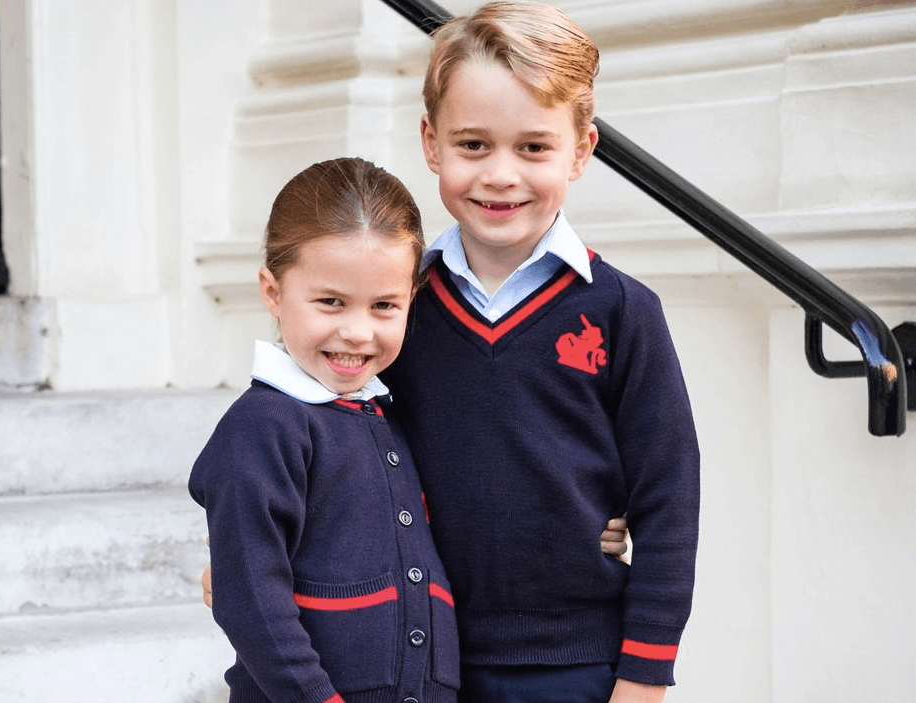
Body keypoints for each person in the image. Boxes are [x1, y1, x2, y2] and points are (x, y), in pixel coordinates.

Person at [379, 2, 701, 702]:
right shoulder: (395, 306)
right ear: (432, 143)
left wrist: (645, 673)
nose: (500, 175)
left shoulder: (623, 311)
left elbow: (670, 498)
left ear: (581, 150)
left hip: (575, 665)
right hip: (416, 654)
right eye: (473, 145)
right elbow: (308, 427)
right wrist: (242, 541)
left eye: (532, 147)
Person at [189, 157, 462, 703]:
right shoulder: (265, 426)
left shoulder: (391, 413)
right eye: (330, 302)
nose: (357, 332)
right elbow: (251, 602)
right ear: (272, 291)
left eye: (384, 305)